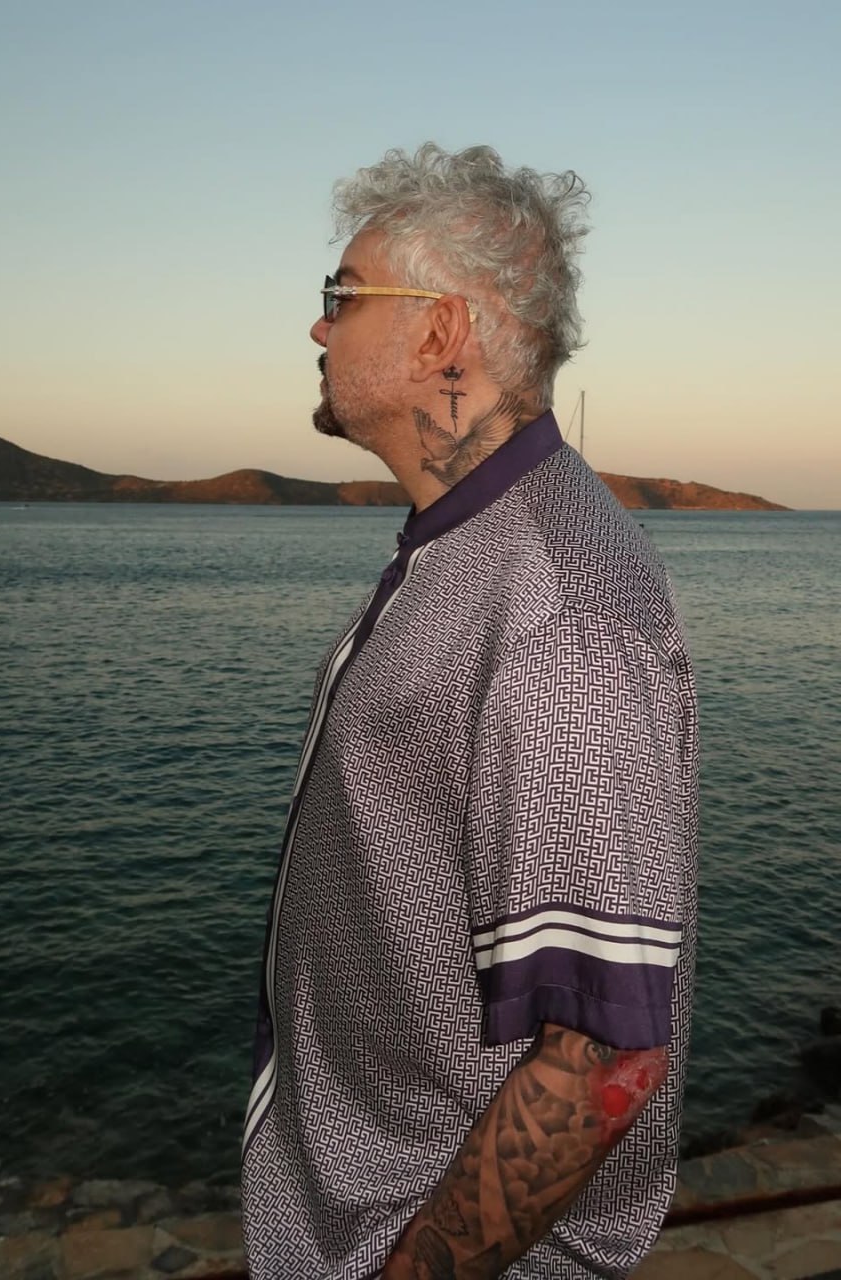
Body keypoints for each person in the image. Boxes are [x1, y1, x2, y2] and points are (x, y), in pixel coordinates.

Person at [241, 144, 698, 1280]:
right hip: (357, 1208)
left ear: (440, 333)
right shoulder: (473, 546)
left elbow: (607, 1062)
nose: (317, 326)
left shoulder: (560, 611)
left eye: (343, 294)